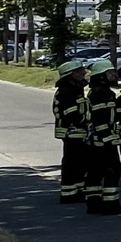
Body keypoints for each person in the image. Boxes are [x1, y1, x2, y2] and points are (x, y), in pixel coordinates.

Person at [82, 58, 121, 216]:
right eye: (110, 73)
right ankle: (111, 205)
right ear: (101, 76)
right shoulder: (100, 94)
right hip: (102, 142)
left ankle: (94, 205)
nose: (114, 75)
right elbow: (99, 119)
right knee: (112, 171)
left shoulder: (100, 92)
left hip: (96, 141)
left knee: (95, 174)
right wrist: (109, 138)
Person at [52, 61, 90, 205]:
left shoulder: (74, 88)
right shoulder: (67, 91)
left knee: (80, 163)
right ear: (70, 75)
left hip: (77, 132)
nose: (84, 74)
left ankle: (78, 191)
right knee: (72, 163)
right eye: (80, 72)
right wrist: (85, 122)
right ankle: (68, 194)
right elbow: (70, 114)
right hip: (71, 132)